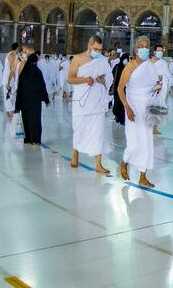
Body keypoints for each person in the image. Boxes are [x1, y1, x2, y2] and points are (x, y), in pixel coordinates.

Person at [117, 36, 159, 188]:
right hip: (133, 109)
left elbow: (150, 87)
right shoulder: (130, 66)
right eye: (141, 45)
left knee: (147, 143)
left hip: (147, 109)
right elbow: (120, 88)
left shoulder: (150, 65)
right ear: (135, 49)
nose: (144, 48)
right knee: (134, 144)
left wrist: (157, 86)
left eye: (146, 45)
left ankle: (143, 176)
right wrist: (127, 108)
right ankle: (125, 161)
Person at [68, 35, 112, 175]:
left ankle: (98, 164)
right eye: (95, 49)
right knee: (79, 129)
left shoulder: (103, 61)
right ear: (89, 45)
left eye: (100, 50)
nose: (98, 52)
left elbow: (110, 78)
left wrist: (103, 80)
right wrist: (85, 79)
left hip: (97, 102)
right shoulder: (78, 59)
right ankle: (75, 154)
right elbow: (70, 78)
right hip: (81, 102)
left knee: (98, 132)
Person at [14, 52, 49, 145]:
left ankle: (28, 139)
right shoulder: (37, 71)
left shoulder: (24, 72)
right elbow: (42, 86)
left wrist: (17, 105)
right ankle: (36, 140)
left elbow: (20, 88)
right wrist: (46, 100)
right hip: (35, 101)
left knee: (26, 119)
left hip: (25, 101)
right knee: (35, 120)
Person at [110, 53, 129, 125]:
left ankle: (122, 119)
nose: (126, 60)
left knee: (123, 104)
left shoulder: (128, 67)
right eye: (124, 58)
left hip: (126, 89)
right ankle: (117, 116)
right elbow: (112, 77)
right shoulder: (117, 67)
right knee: (117, 103)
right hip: (117, 88)